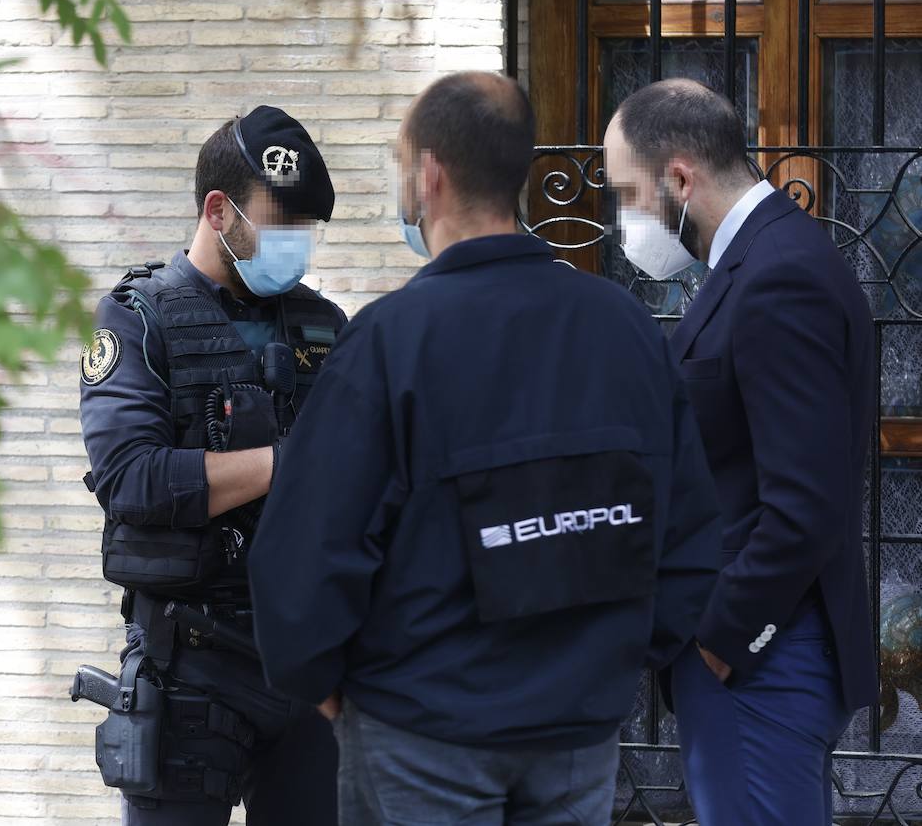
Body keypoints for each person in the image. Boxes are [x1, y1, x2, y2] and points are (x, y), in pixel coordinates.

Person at [247, 72, 722, 826]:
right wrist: (614, 663)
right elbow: (691, 531)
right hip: (576, 732)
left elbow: (306, 550)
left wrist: (323, 679)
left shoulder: (390, 342)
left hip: (423, 734)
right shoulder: (625, 329)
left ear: (428, 174)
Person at [603, 79, 877, 826]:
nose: (625, 220)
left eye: (629, 195)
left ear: (680, 179)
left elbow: (806, 504)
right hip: (758, 659)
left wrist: (723, 642)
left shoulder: (778, 274)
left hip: (764, 659)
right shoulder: (758, 261)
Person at [75, 106, 347, 826]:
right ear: (218, 210)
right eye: (278, 221)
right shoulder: (138, 320)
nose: (294, 242)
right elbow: (131, 479)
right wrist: (286, 464)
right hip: (191, 661)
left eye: (303, 227)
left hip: (306, 664)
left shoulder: (325, 327)